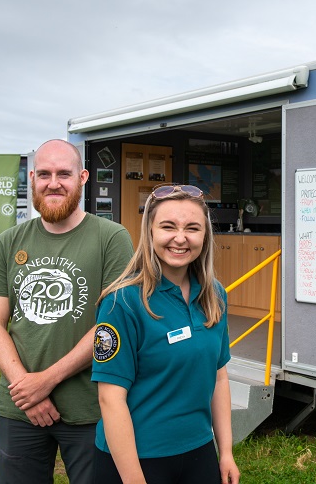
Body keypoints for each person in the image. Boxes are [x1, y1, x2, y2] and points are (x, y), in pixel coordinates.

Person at [0, 139, 134, 484]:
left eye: (64, 173)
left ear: (83, 178)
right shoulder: (8, 242)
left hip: (90, 407)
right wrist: (26, 391)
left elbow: (112, 325)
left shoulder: (112, 238)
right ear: (32, 178)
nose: (54, 183)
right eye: (45, 174)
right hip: (18, 409)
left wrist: (44, 382)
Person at [91, 184, 240, 484]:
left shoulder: (214, 295)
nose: (180, 238)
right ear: (150, 232)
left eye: (193, 228)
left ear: (205, 236)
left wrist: (225, 452)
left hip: (199, 452)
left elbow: (219, 377)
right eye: (168, 226)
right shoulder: (122, 302)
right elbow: (110, 400)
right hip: (136, 460)